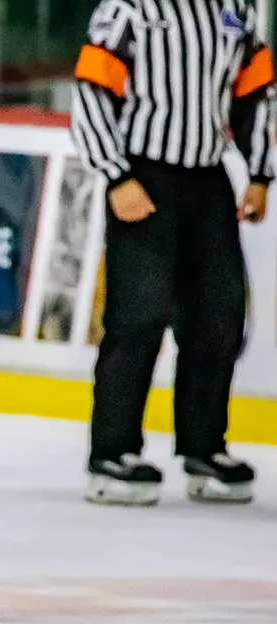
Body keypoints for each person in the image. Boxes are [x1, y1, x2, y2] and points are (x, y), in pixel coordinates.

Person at [71, 0, 274, 505]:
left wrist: (260, 172)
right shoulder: (129, 9)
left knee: (218, 317)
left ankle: (205, 449)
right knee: (137, 317)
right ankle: (112, 452)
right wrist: (115, 174)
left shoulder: (236, 10)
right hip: (144, 175)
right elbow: (92, 89)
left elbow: (255, 91)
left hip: (208, 181)